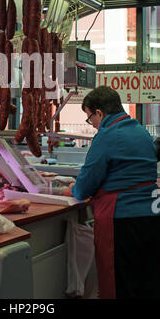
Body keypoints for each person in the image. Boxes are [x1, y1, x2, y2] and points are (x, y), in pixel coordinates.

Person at [69, 86, 160, 299]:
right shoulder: (140, 131)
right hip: (152, 215)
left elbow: (83, 188)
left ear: (99, 113)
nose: (91, 124)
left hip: (122, 219)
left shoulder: (107, 135)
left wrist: (72, 188)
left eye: (89, 117)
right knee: (146, 282)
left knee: (119, 284)